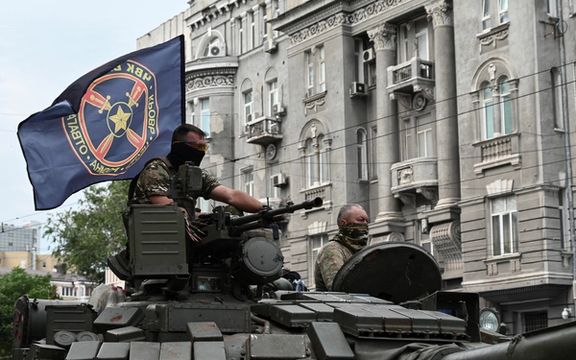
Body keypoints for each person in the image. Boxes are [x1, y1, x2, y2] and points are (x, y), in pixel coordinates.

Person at [130, 123, 264, 242]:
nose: (200, 152)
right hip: (156, 234)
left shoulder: (195, 174)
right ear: (180, 146)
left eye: (203, 148)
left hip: (182, 232)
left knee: (230, 216)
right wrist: (194, 216)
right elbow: (164, 205)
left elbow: (231, 195)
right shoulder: (157, 169)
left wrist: (263, 209)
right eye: (197, 147)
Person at [314, 204, 369, 291]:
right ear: (344, 223)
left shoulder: (362, 251)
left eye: (367, 221)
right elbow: (338, 287)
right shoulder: (332, 250)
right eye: (361, 220)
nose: (365, 224)